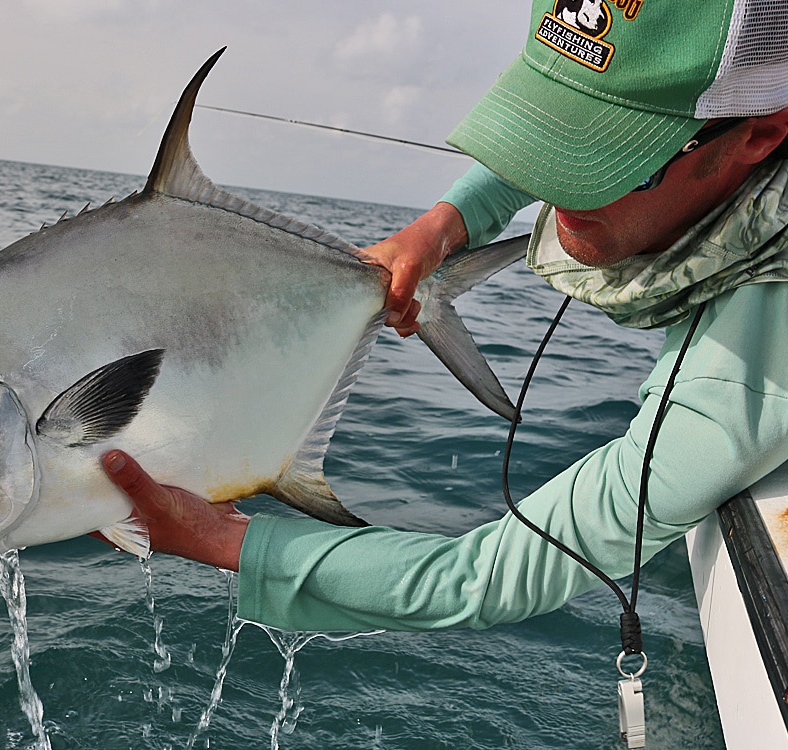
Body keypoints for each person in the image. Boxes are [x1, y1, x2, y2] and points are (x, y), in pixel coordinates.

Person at [102, 0, 788, 635]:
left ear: (759, 135)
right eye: (552, 132)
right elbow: (596, 148)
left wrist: (216, 538)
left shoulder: (745, 384)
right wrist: (440, 228)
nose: (556, 182)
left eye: (612, 159)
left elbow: (484, 576)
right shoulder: (719, 154)